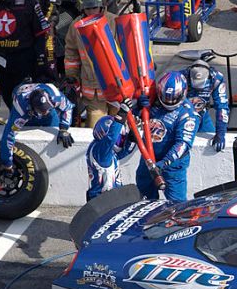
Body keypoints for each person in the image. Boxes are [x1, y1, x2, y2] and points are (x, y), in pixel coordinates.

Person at [135, 71, 197, 203]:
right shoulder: (153, 100)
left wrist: (163, 163)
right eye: (166, 97)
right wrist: (138, 107)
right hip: (148, 159)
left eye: (173, 98)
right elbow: (136, 121)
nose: (169, 101)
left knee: (177, 205)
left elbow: (183, 145)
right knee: (143, 200)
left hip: (173, 166)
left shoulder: (188, 114)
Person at [64, 0, 118, 127]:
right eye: (88, 8)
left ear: (101, 4)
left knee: (119, 130)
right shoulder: (76, 26)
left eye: (94, 7)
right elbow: (71, 53)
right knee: (94, 130)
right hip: (93, 92)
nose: (91, 11)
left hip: (117, 88)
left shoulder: (114, 21)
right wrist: (71, 75)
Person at [0, 81, 74, 173]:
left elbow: (68, 108)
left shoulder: (55, 95)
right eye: (42, 110)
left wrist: (64, 128)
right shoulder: (20, 110)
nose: (45, 112)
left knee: (53, 124)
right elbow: (9, 136)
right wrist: (7, 163)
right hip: (28, 114)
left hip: (48, 115)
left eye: (47, 108)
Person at [86, 105, 136, 202]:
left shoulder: (107, 153)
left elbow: (123, 153)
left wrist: (131, 140)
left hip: (112, 197)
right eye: (119, 138)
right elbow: (110, 139)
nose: (120, 141)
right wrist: (121, 115)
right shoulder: (99, 150)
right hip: (101, 200)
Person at [183, 59, 229, 152]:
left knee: (212, 140)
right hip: (182, 118)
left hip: (203, 117)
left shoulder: (216, 79)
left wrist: (220, 133)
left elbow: (222, 107)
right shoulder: (179, 77)